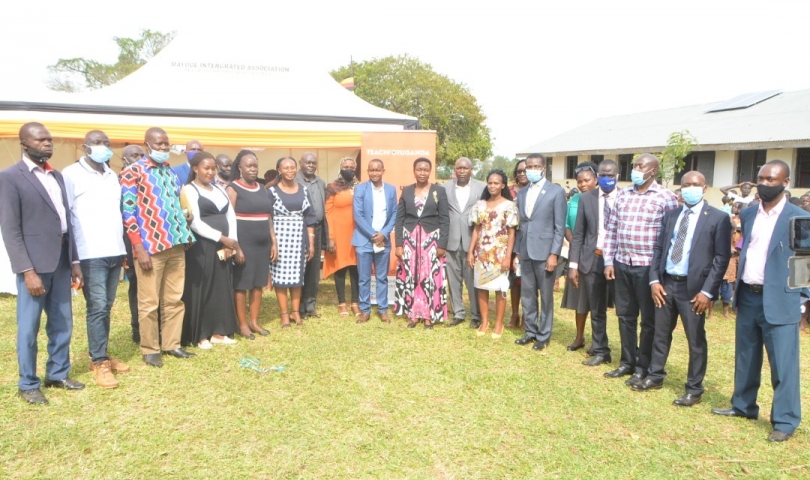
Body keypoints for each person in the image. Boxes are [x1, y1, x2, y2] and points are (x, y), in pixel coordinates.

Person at [712, 160, 808, 442]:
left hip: (781, 300)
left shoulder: (799, 217)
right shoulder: (750, 213)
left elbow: (805, 263)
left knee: (783, 364)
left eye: (771, 179)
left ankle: (785, 420)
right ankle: (743, 405)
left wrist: (802, 300)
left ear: (786, 182)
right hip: (749, 296)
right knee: (746, 355)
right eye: (761, 178)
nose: (764, 184)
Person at [0, 122, 85, 404]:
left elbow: (67, 222)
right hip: (34, 266)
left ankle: (57, 373)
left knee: (62, 322)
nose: (48, 143)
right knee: (29, 327)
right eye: (40, 140)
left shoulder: (57, 175)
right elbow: (10, 230)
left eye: (49, 139)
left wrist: (74, 261)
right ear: (24, 144)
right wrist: (27, 271)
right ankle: (28, 383)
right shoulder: (9, 177)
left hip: (61, 260)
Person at [634, 171, 731, 408]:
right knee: (660, 333)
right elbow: (659, 249)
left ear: (704, 188)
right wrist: (654, 280)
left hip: (694, 290)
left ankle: (694, 389)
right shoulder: (671, 215)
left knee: (695, 339)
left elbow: (721, 258)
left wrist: (707, 292)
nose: (690, 188)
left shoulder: (718, 218)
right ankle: (655, 375)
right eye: (686, 184)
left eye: (695, 184)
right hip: (667, 284)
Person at [121, 127, 197, 368]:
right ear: (147, 145)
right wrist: (138, 248)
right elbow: (128, 213)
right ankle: (150, 348)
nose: (164, 148)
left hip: (175, 243)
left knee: (174, 298)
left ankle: (172, 344)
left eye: (166, 144)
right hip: (150, 248)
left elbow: (176, 204)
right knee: (149, 301)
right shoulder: (133, 172)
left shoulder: (169, 171)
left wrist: (184, 229)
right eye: (159, 144)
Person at [602, 153, 679, 386]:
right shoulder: (623, 194)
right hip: (622, 263)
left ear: (653, 171)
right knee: (625, 316)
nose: (635, 169)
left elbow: (670, 237)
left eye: (640, 166)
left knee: (648, 321)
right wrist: (608, 261)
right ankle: (627, 362)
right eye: (635, 165)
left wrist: (660, 272)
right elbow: (612, 229)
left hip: (648, 268)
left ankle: (643, 366)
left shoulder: (666, 198)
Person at [62, 130, 129, 389]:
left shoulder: (112, 174)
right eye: (97, 143)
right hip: (90, 253)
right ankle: (100, 362)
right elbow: (66, 217)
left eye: (107, 143)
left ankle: (100, 354)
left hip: (113, 250)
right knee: (97, 306)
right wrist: (74, 260)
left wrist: (122, 250)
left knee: (107, 305)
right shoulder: (71, 174)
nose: (103, 147)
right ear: (85, 147)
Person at [181, 152, 241, 349]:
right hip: (202, 246)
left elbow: (231, 216)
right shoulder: (189, 190)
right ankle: (201, 335)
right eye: (206, 168)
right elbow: (195, 222)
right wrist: (222, 238)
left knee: (221, 287)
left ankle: (218, 332)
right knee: (203, 287)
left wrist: (232, 242)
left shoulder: (219, 189)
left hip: (224, 246)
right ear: (195, 169)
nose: (210, 172)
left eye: (213, 168)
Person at [569, 159, 620, 367]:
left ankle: (630, 356)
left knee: (625, 311)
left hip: (619, 261)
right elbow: (578, 234)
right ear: (598, 177)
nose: (607, 178)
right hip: (593, 259)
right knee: (597, 310)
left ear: (617, 176)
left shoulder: (626, 197)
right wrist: (573, 265)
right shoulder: (586, 198)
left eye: (611, 175)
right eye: (603, 175)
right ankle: (601, 351)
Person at [513, 153, 566, 351]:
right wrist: (518, 252)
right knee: (527, 294)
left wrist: (554, 254)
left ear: (544, 168)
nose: (532, 169)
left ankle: (543, 336)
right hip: (526, 250)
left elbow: (559, 227)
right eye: (529, 166)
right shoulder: (522, 193)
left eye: (536, 166)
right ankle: (530, 332)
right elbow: (521, 225)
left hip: (545, 253)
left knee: (545, 296)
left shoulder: (556, 192)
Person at [394, 157, 450, 328]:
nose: (422, 173)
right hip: (410, 240)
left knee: (429, 277)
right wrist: (398, 244)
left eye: (426, 170)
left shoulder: (439, 191)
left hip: (431, 240)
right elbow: (399, 219)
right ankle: (413, 314)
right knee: (412, 275)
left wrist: (442, 245)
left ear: (430, 171)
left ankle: (428, 316)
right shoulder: (407, 191)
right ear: (414, 171)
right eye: (419, 169)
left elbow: (445, 219)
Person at [226, 149, 276, 339]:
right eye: (249, 166)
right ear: (240, 167)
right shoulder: (233, 188)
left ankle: (254, 321)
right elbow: (228, 219)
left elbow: (268, 217)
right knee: (242, 284)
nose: (253, 169)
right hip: (243, 244)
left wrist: (273, 241)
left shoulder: (262, 188)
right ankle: (242, 324)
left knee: (257, 283)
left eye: (255, 165)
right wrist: (236, 247)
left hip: (262, 244)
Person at [467, 169, 518, 338]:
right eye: (490, 183)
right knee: (481, 287)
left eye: (496, 183)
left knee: (500, 289)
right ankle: (485, 322)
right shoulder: (480, 205)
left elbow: (511, 233)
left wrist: (508, 257)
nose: (492, 186)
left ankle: (498, 324)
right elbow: (476, 229)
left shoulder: (509, 206)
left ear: (503, 185)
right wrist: (470, 252)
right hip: (482, 253)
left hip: (500, 254)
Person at [270, 157, 317, 327]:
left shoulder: (303, 190)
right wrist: (272, 242)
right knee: (280, 277)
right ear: (279, 171)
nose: (290, 171)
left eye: (292, 167)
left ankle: (295, 312)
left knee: (298, 276)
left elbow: (310, 217)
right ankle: (284, 314)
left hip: (299, 238)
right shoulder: (272, 191)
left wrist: (311, 242)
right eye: (286, 168)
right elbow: (268, 218)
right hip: (279, 239)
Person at [353, 159, 398, 324]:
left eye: (377, 170)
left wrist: (383, 234)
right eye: (371, 170)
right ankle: (365, 310)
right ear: (367, 171)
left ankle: (383, 310)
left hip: (383, 241)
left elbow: (394, 213)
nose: (374, 173)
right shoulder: (360, 189)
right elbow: (358, 215)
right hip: (364, 240)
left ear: (383, 171)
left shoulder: (391, 189)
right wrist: (373, 234)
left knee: (382, 277)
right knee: (364, 278)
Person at [442, 157, 485, 328]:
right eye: (458, 168)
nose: (461, 171)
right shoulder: (445, 188)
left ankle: (475, 315)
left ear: (471, 170)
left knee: (472, 280)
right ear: (455, 169)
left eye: (465, 168)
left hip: (472, 241)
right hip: (451, 241)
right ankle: (458, 313)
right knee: (453, 280)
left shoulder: (481, 188)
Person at [560, 162, 598, 351]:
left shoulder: (601, 199)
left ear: (596, 180)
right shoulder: (575, 199)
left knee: (596, 300)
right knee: (579, 298)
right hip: (577, 253)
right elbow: (567, 224)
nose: (583, 184)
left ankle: (597, 341)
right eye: (580, 181)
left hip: (596, 254)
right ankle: (579, 336)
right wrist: (575, 243)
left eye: (587, 180)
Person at [324, 157, 361, 317]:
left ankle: (355, 302)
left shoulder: (361, 186)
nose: (349, 169)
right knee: (340, 268)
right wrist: (330, 237)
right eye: (345, 166)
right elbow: (327, 212)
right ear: (340, 168)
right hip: (338, 233)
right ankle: (342, 303)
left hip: (357, 233)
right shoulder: (332, 187)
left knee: (355, 268)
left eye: (352, 166)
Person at [296, 152, 329, 319]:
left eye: (313, 163)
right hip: (299, 230)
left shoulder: (320, 182)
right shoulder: (294, 181)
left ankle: (310, 305)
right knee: (300, 268)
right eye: (307, 162)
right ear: (300, 163)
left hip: (317, 229)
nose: (310, 165)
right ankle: (298, 307)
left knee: (314, 269)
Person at [121, 144, 146, 343]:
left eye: (141, 155)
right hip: (129, 242)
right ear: (124, 159)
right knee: (136, 286)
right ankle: (137, 329)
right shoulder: (120, 180)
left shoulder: (147, 178)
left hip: (148, 241)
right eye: (134, 155)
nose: (139, 158)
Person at [508, 160, 529, 329]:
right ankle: (514, 313)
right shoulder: (509, 191)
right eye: (519, 171)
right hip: (511, 239)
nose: (522, 173)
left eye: (525, 170)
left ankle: (526, 315)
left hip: (529, 240)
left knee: (528, 280)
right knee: (514, 280)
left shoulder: (536, 191)